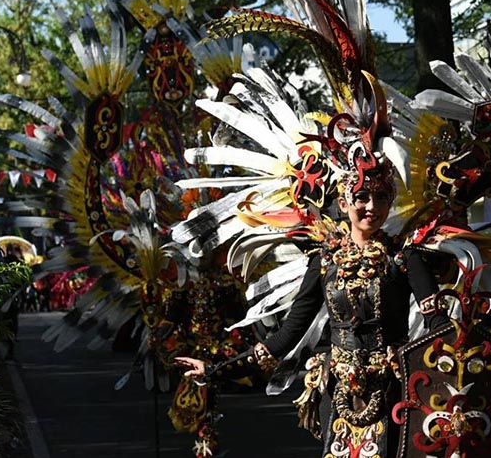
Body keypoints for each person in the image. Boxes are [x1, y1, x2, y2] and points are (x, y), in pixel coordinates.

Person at [176, 164, 447, 456]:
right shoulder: (325, 263)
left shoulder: (405, 258)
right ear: (343, 203)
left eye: (381, 197)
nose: (372, 206)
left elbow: (438, 327)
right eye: (362, 197)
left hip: (395, 391)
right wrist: (217, 369)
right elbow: (289, 333)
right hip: (339, 391)